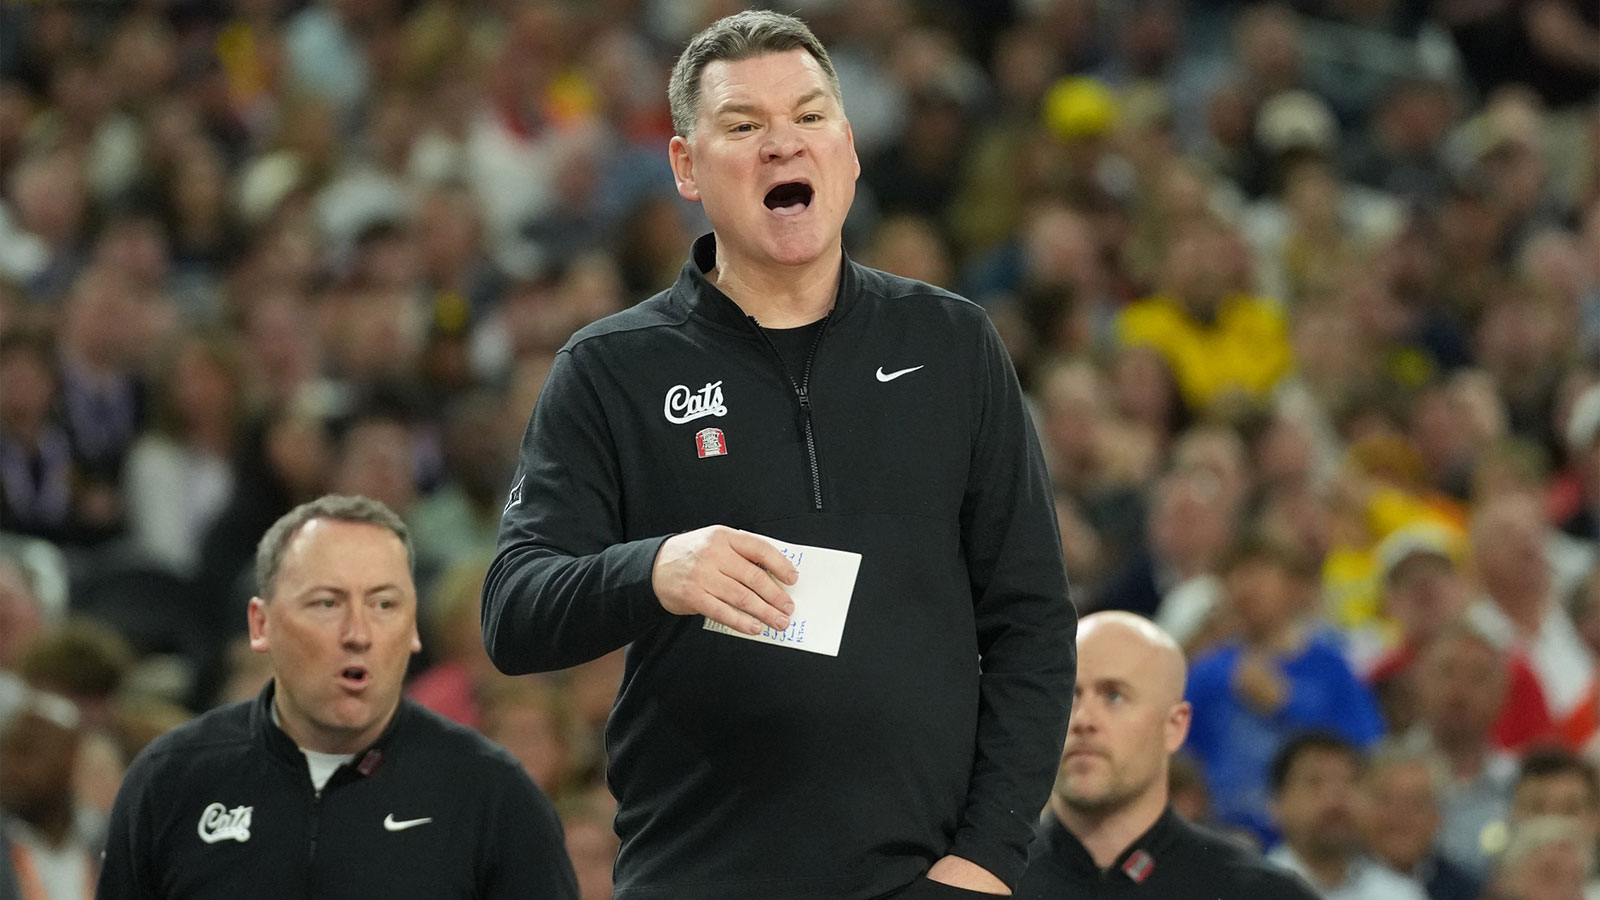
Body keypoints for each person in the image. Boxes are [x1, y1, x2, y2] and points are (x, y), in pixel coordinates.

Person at [481, 10, 1075, 899]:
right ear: (687, 165)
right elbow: (512, 612)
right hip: (697, 876)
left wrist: (986, 861)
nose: (781, 145)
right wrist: (655, 568)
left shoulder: (952, 343)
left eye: (808, 116)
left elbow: (1030, 623)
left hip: (925, 880)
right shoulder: (611, 370)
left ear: (849, 145)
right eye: (743, 125)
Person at [96, 494, 578, 899]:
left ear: (413, 628)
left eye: (384, 604)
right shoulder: (171, 780)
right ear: (261, 625)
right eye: (326, 603)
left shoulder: (494, 795)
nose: (357, 633)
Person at [1016, 611, 1317, 899]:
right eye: (1069, 694)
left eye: (1114, 696)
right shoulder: (988, 883)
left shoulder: (1259, 893)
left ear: (1175, 726)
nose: (1083, 719)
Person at [1266, 732, 1429, 900]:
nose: (1334, 799)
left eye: (1347, 782)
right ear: (1276, 804)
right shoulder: (1253, 890)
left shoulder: (1398, 893)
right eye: (1315, 783)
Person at [1356, 741, 1483, 900]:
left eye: (1417, 803)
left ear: (1438, 817)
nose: (1400, 816)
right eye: (1387, 800)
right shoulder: (1334, 876)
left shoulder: (1466, 891)